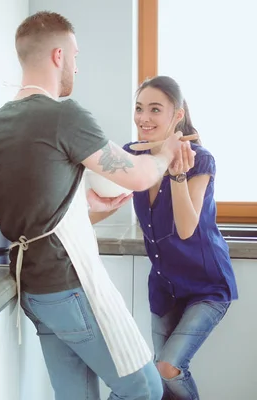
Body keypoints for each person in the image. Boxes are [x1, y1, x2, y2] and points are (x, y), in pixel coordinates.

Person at [0, 11, 185, 400]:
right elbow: (139, 175)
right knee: (145, 388)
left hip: (34, 291)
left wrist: (86, 203)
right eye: (75, 55)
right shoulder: (62, 115)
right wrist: (166, 152)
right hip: (68, 286)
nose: (77, 65)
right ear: (58, 56)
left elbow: (35, 211)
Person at [122, 75, 238, 399]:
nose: (143, 118)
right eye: (139, 108)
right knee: (160, 380)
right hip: (164, 286)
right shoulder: (133, 154)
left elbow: (186, 228)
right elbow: (99, 182)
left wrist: (177, 173)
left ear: (177, 116)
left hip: (207, 285)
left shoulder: (199, 159)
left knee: (168, 367)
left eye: (155, 109)